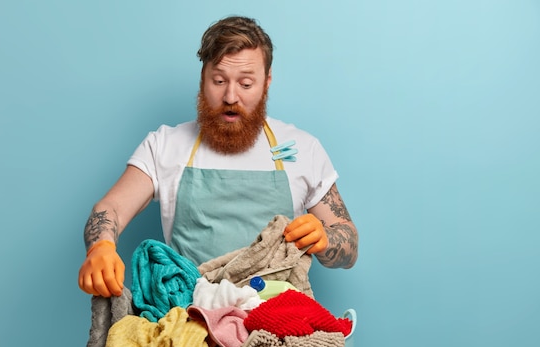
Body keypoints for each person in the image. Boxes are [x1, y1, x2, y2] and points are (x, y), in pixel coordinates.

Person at [78, 16, 358, 298]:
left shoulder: (303, 148)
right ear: (203, 78)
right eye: (219, 80)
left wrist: (326, 238)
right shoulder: (164, 145)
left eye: (246, 84)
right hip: (191, 318)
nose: (230, 96)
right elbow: (111, 208)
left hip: (280, 320)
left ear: (267, 81)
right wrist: (101, 246)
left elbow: (349, 246)